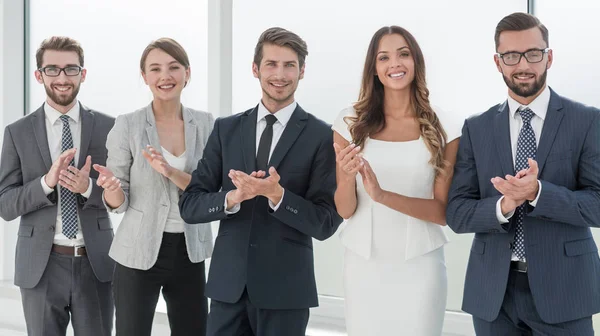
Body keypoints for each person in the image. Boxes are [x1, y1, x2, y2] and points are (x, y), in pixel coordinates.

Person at [179, 27, 343, 336]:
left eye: (289, 65)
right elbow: (190, 205)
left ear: (302, 71)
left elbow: (326, 222)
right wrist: (231, 198)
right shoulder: (225, 129)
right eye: (271, 64)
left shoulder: (322, 136)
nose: (279, 74)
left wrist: (279, 196)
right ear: (255, 69)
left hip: (286, 293)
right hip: (228, 291)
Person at [446, 12, 600, 335]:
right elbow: (457, 213)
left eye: (533, 53)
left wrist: (537, 193)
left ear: (549, 57)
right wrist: (502, 206)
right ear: (498, 62)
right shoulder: (477, 128)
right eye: (511, 56)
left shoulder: (586, 121)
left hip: (564, 292)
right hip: (493, 296)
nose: (523, 65)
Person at [332, 26, 461, 335]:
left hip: (421, 265)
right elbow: (344, 210)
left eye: (403, 54)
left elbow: (441, 212)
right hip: (364, 265)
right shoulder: (349, 122)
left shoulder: (445, 127)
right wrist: (348, 178)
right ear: (374, 69)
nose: (395, 64)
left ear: (416, 61)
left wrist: (382, 194)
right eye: (384, 57)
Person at [93, 38, 214, 336]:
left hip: (189, 250)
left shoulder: (208, 124)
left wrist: (170, 171)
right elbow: (118, 201)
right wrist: (110, 187)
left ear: (187, 73)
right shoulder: (128, 125)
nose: (165, 76)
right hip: (138, 251)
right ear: (144, 76)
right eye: (155, 69)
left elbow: (210, 191)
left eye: (174, 67)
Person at [0, 36, 115, 336]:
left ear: (83, 74)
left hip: (95, 264)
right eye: (52, 69)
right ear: (39, 75)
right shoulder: (17, 132)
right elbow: (5, 204)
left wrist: (88, 188)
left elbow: (124, 195)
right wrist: (46, 183)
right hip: (41, 267)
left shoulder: (109, 127)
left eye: (70, 69)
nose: (62, 78)